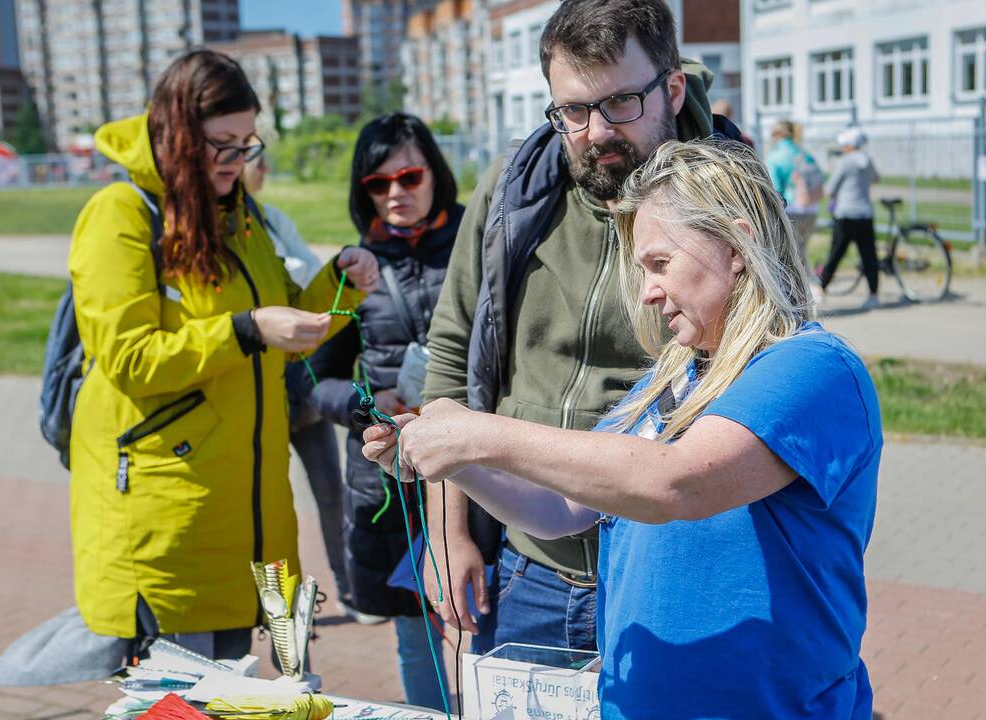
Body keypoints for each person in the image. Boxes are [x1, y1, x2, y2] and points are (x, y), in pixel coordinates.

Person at [365, 139, 880, 718]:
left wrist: (478, 434)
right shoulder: (672, 379)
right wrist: (456, 463)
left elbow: (676, 484)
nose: (647, 291)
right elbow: (560, 508)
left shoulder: (809, 367)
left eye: (661, 263)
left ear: (737, 244)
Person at [420, 0, 742, 655]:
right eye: (572, 110)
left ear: (673, 89)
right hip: (523, 569)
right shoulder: (515, 190)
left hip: (661, 575)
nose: (596, 131)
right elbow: (452, 359)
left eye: (621, 102)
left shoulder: (727, 204)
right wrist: (449, 534)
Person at [67, 49, 378, 659]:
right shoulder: (121, 215)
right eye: (222, 144)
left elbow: (283, 328)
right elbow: (128, 358)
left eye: (248, 144)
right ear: (178, 135)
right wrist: (247, 329)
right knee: (181, 700)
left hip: (251, 517)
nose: (238, 161)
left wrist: (342, 284)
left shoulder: (241, 215)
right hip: (172, 519)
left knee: (246, 689)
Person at [303, 113, 462, 711]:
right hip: (390, 482)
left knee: (488, 621)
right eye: (378, 182)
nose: (396, 192)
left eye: (409, 175)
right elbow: (313, 378)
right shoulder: (354, 272)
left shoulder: (482, 244)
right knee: (415, 629)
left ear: (434, 175)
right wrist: (368, 405)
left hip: (477, 470)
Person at [241, 152, 352, 614]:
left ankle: (349, 589)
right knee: (266, 502)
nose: (263, 166)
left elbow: (306, 275)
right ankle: (274, 608)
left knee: (330, 490)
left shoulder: (273, 220)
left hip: (298, 384)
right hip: (254, 391)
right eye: (254, 158)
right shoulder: (220, 231)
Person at [820, 127, 881, 309]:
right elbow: (876, 178)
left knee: (836, 254)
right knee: (869, 256)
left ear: (848, 146)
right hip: (865, 214)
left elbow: (830, 189)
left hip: (845, 214)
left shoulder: (845, 162)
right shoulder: (867, 160)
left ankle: (822, 288)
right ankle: (873, 295)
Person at [766, 119, 822, 274]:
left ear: (776, 135)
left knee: (785, 257)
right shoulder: (804, 154)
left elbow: (775, 189)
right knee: (800, 253)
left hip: (791, 210)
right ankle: (810, 288)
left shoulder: (775, 156)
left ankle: (800, 293)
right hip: (811, 209)